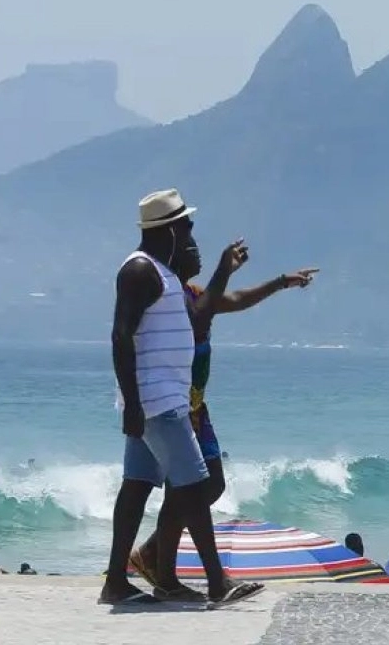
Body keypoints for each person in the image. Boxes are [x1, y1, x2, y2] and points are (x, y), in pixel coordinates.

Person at [99, 189, 260, 606]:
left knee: (136, 487)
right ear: (167, 229)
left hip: (160, 400)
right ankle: (217, 582)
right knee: (194, 485)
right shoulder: (139, 271)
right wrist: (132, 403)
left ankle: (116, 581)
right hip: (156, 403)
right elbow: (120, 336)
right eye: (185, 226)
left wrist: (224, 270)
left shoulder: (166, 276)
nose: (190, 233)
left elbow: (200, 315)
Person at [128, 240, 315, 596]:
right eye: (191, 247)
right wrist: (224, 269)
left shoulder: (192, 293)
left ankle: (155, 557)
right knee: (194, 487)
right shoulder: (173, 301)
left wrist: (280, 282)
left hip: (195, 407)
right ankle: (167, 569)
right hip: (174, 404)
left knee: (205, 486)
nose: (197, 250)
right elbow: (202, 312)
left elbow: (233, 300)